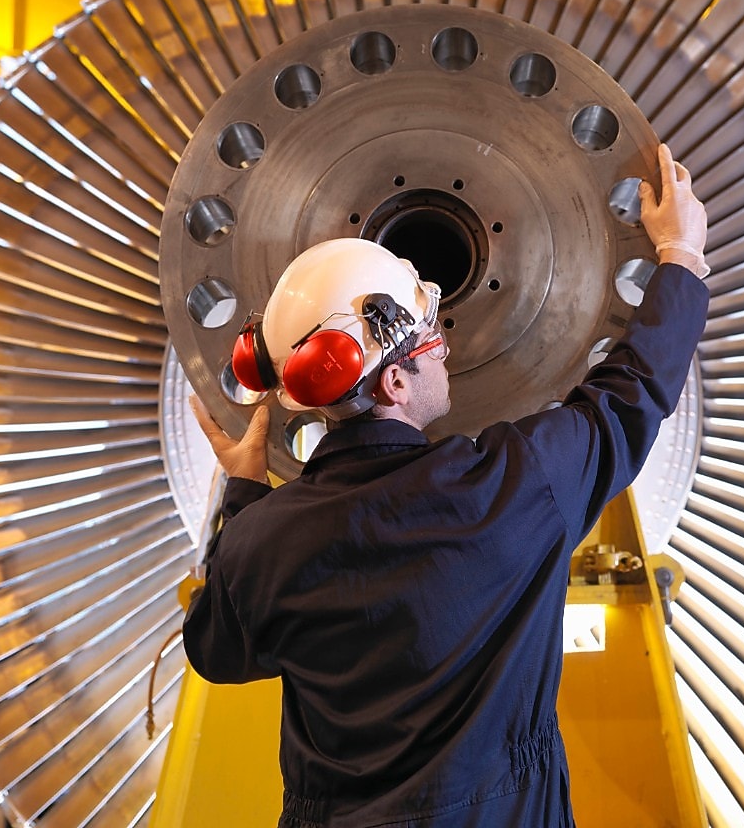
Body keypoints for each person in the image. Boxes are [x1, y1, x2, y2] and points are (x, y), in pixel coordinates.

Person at [183, 143, 710, 828]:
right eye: (432, 331)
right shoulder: (515, 488)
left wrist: (246, 495)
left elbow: (217, 653)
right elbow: (632, 395)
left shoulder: (259, 544)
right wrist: (681, 255)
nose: (448, 346)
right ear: (395, 381)